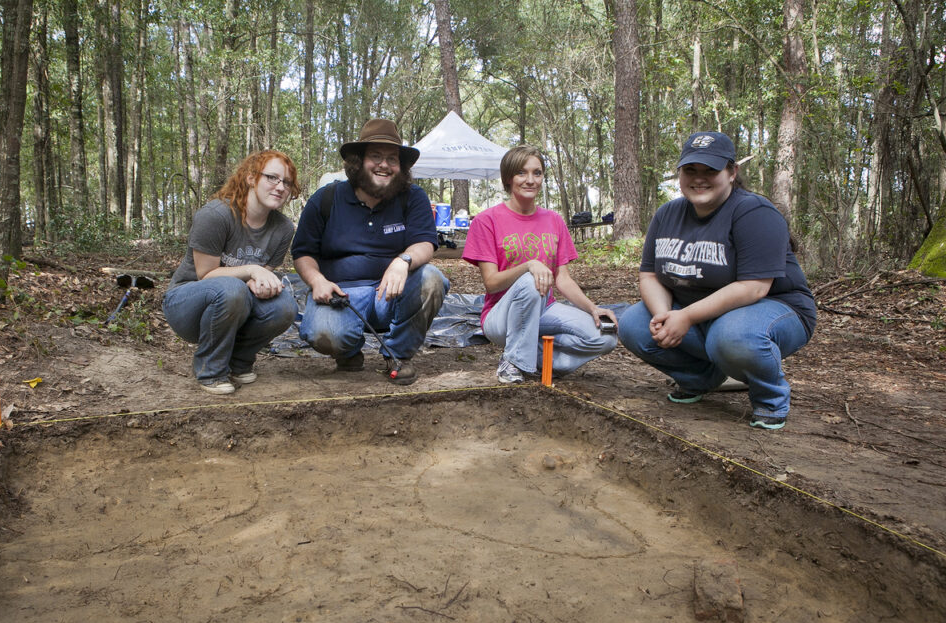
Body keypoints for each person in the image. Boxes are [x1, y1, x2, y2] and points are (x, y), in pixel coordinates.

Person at [617, 131, 816, 430]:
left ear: (732, 172)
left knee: (731, 335)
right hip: (697, 313)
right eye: (691, 170)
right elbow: (649, 275)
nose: (700, 178)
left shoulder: (754, 211)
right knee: (633, 324)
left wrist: (684, 316)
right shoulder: (667, 213)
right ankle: (700, 378)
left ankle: (770, 398)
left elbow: (754, 287)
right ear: (680, 174)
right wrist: (663, 315)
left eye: (711, 170)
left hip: (773, 309)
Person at [291, 119, 449, 386]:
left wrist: (403, 260)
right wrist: (317, 281)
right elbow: (303, 252)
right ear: (358, 162)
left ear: (401, 167)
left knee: (432, 279)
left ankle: (397, 355)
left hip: (391, 295)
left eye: (392, 158)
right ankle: (348, 352)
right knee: (325, 334)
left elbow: (425, 243)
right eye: (375, 156)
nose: (384, 165)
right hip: (341, 296)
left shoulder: (413, 197)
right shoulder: (326, 199)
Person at [461, 145, 618, 383]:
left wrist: (593, 308)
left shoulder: (554, 220)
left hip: (545, 310)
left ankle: (530, 357)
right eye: (522, 173)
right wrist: (528, 265)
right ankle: (513, 362)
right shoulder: (487, 220)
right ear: (508, 178)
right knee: (530, 279)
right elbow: (491, 283)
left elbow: (562, 279)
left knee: (604, 338)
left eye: (537, 173)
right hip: (500, 316)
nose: (530, 180)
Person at [163, 150, 301, 394]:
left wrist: (262, 282)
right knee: (231, 288)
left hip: (237, 304)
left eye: (286, 182)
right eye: (272, 178)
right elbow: (206, 275)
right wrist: (252, 269)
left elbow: (259, 279)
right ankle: (211, 370)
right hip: (186, 304)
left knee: (285, 306)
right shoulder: (216, 215)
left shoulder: (282, 228)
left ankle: (238, 362)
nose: (280, 187)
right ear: (251, 178)